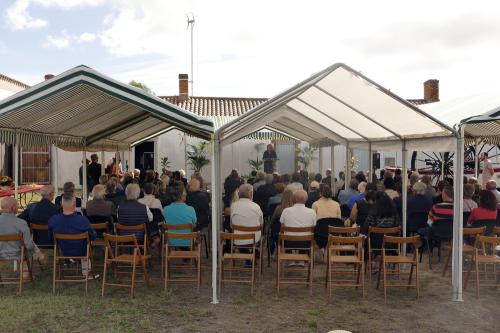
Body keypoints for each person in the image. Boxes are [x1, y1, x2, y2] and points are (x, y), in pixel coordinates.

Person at [48, 194, 97, 278]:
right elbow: (92, 236)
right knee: (87, 244)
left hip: (63, 251)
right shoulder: (82, 220)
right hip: (82, 251)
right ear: (74, 205)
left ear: (61, 204)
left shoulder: (53, 220)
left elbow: (50, 237)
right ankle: (86, 273)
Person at [0, 197, 43, 265]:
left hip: (1, 253)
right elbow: (28, 245)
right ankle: (25, 273)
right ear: (13, 208)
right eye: (17, 205)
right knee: (29, 245)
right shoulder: (21, 223)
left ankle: (38, 255)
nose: (18, 207)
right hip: (19, 254)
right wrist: (34, 251)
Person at [280, 190, 316, 265]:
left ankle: (290, 258)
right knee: (306, 235)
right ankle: (302, 258)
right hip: (306, 243)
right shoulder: (312, 212)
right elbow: (313, 228)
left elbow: (282, 227)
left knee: (283, 235)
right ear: (306, 199)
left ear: (294, 199)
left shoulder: (286, 211)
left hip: (288, 243)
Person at [163, 182, 197, 247]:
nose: (186, 194)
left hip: (171, 240)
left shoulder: (165, 209)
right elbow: (194, 224)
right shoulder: (191, 209)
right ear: (181, 196)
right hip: (188, 240)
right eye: (185, 193)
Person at [230, 184, 263, 249]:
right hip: (254, 239)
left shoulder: (233, 206)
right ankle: (253, 255)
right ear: (251, 194)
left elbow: (231, 225)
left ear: (238, 194)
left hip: (238, 240)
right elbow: (261, 224)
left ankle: (248, 256)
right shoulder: (256, 207)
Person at [269, 189, 294, 255]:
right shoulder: (295, 209)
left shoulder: (279, 208)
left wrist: (269, 227)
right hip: (293, 235)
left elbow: (272, 220)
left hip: (280, 235)